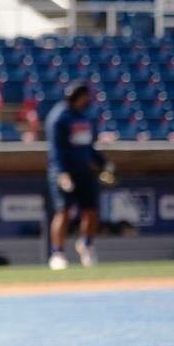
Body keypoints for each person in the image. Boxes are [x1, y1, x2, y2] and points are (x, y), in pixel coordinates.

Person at [44, 81, 113, 269]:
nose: (88, 99)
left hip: (86, 172)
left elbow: (88, 147)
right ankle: (57, 253)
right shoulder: (59, 117)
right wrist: (61, 174)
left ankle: (87, 244)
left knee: (90, 210)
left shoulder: (85, 116)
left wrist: (105, 165)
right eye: (86, 96)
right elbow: (56, 149)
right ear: (78, 96)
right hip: (66, 172)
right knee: (64, 211)